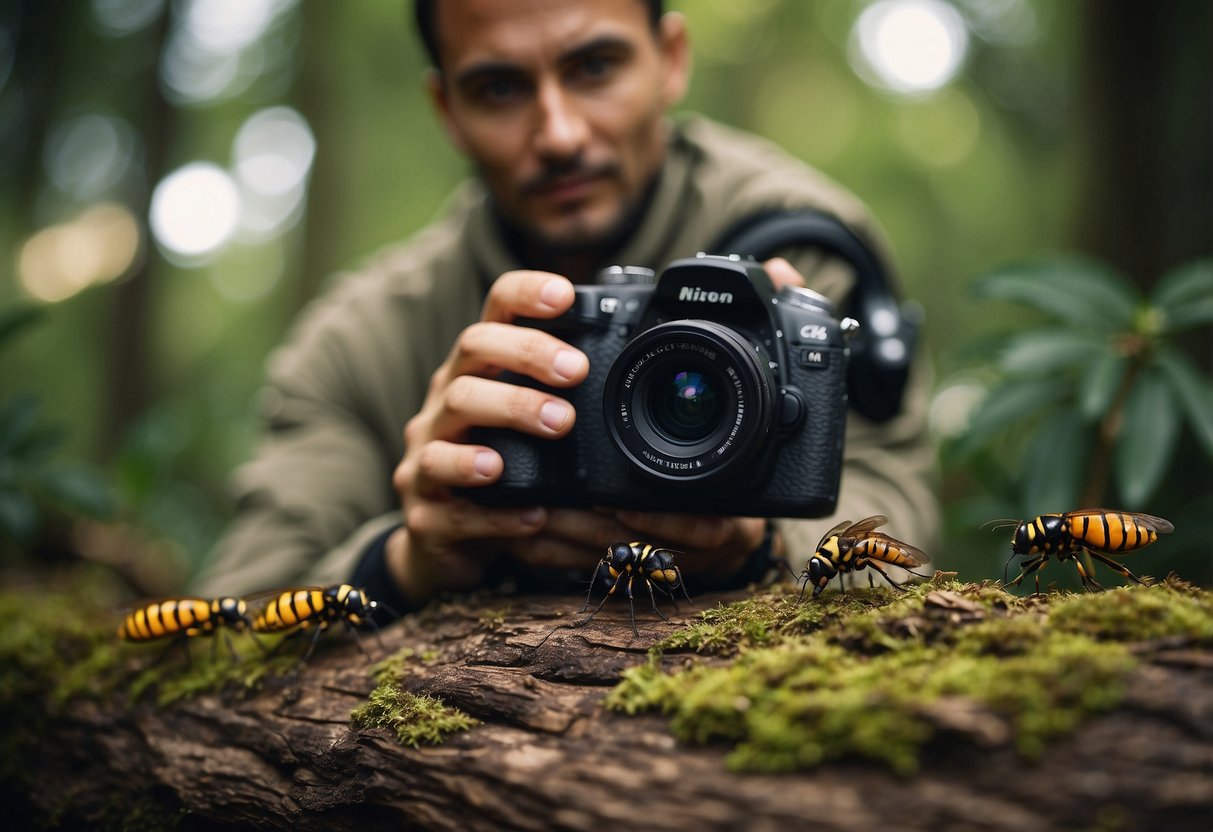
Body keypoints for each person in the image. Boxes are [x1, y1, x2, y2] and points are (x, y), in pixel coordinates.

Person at [190, 0, 940, 611]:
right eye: (499, 89)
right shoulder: (359, 341)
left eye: (594, 67)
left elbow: (896, 502)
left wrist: (762, 547)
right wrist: (406, 559)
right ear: (445, 108)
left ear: (669, 59)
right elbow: (231, 612)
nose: (557, 134)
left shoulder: (809, 251)